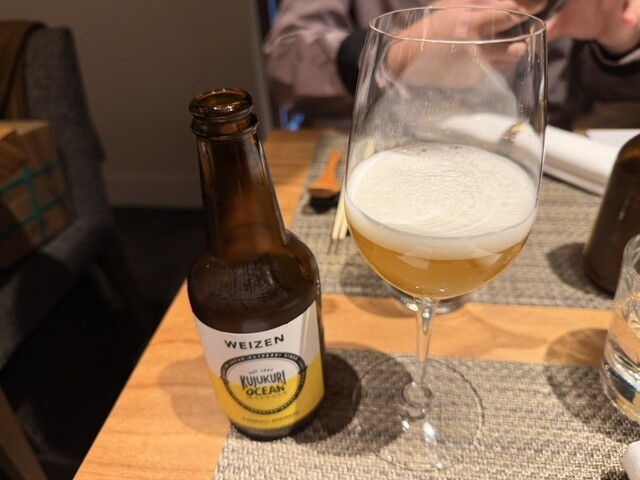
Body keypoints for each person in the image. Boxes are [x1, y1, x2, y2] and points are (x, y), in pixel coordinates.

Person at [263, 0, 640, 130]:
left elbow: (612, 110)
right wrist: (400, 55)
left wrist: (618, 43)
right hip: (367, 154)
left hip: (533, 169)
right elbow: (285, 60)